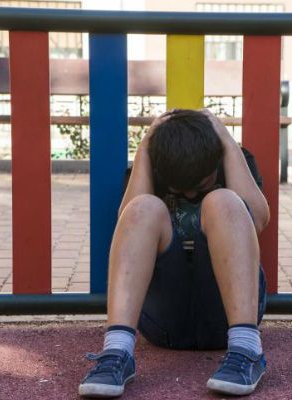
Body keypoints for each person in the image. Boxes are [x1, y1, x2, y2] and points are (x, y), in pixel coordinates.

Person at [78, 109, 270, 398]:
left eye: (200, 185)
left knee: (224, 201)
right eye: (180, 189)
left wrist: (228, 144)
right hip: (164, 321)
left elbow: (257, 219)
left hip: (228, 316)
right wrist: (145, 148)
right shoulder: (153, 165)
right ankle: (117, 351)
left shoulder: (231, 160)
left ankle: (247, 350)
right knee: (143, 207)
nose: (191, 195)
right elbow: (127, 221)